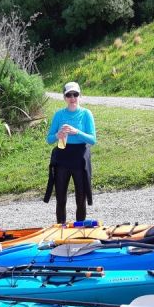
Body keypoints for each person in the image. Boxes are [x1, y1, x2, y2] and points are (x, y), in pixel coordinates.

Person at [43, 82, 96, 224]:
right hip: (62, 156)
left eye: (75, 94)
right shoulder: (59, 115)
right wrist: (57, 135)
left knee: (81, 197)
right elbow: (49, 139)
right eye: (69, 95)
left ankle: (80, 228)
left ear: (80, 96)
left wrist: (76, 132)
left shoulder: (86, 114)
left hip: (80, 157)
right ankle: (61, 228)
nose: (72, 98)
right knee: (60, 197)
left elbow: (93, 139)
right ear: (64, 97)